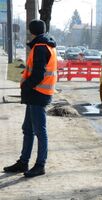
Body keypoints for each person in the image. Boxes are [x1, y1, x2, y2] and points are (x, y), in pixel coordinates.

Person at [3, 19, 57, 178]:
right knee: (28, 129)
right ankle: (23, 162)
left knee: (40, 131)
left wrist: (26, 85)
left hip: (38, 94)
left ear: (31, 31)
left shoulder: (40, 47)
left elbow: (38, 74)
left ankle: (40, 165)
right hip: (36, 94)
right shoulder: (47, 45)